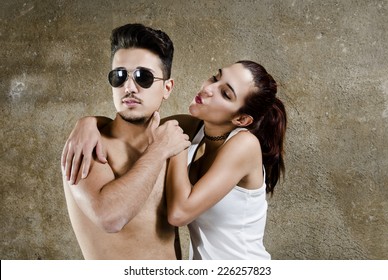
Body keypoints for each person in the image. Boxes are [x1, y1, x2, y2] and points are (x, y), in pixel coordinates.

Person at [63, 60, 287, 259]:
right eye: (215, 77)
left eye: (225, 94)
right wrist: (87, 123)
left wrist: (176, 148)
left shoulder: (244, 145)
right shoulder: (193, 128)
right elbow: (134, 126)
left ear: (241, 119)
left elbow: (179, 213)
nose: (208, 89)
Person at [61, 23, 190, 260]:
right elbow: (110, 217)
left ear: (167, 88)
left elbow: (229, 119)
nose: (129, 87)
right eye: (119, 76)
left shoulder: (173, 136)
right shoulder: (88, 146)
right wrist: (158, 150)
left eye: (144, 76)